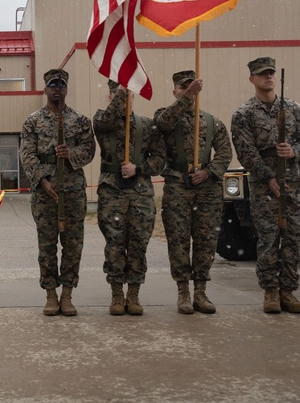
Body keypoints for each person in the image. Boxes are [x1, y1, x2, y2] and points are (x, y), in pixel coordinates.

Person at [230, 57, 300, 315]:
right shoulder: (244, 114)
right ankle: (270, 292)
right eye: (262, 74)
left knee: (295, 238)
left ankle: (288, 291)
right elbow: (247, 153)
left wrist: (294, 150)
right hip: (264, 185)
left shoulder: (295, 109)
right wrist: (269, 177)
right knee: (268, 239)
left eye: (271, 73)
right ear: (252, 79)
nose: (268, 77)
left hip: (295, 183)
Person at [154, 70, 233, 315]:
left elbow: (224, 154)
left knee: (206, 241)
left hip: (206, 188)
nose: (187, 90)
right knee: (178, 241)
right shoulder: (165, 116)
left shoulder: (212, 122)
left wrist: (209, 172)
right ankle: (183, 292)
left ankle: (200, 291)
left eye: (191, 86)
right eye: (182, 87)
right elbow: (164, 123)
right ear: (174, 90)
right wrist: (187, 97)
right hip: (178, 185)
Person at [19, 68, 95, 316]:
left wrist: (70, 154)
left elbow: (89, 149)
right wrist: (42, 180)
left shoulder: (80, 120)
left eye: (61, 84)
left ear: (66, 88)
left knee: (73, 246)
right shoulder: (32, 121)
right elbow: (27, 154)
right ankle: (51, 294)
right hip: (45, 193)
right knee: (47, 247)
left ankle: (67, 294)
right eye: (52, 84)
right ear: (45, 88)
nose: (57, 88)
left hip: (72, 191)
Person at [93, 80, 166, 316]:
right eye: (115, 94)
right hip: (112, 192)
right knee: (114, 244)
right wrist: (122, 92)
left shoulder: (147, 125)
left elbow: (159, 159)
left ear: (134, 97)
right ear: (110, 97)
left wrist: (139, 168)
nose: (122, 98)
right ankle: (116, 294)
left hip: (140, 193)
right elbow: (107, 120)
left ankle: (133, 294)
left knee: (138, 244)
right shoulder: (102, 121)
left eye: (126, 94)